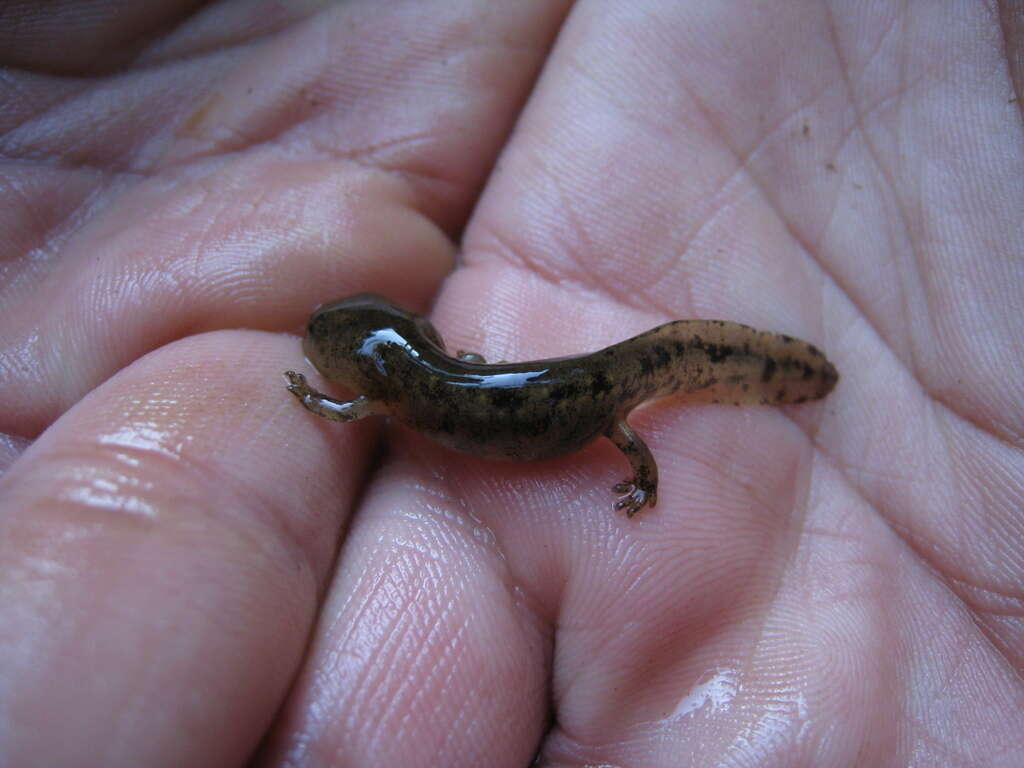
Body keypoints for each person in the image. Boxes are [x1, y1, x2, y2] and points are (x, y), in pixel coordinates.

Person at [1, 2, 1021, 765]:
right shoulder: (412, 379)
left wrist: (320, 404)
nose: (331, 364)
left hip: (587, 398)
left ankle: (675, 450)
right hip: (569, 391)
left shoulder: (391, 391)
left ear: (378, 355)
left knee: (630, 408)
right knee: (625, 400)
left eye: (337, 356)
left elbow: (350, 398)